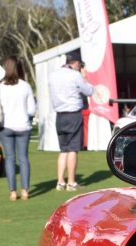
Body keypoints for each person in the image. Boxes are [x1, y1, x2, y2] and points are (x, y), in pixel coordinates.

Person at [0, 55, 36, 201]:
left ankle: (12, 192)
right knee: (23, 158)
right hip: (23, 126)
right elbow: (32, 110)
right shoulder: (25, 86)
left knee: (9, 158)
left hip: (5, 126)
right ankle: (25, 190)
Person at [48, 49, 94, 191]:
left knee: (63, 150)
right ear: (76, 63)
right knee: (73, 149)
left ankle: (60, 182)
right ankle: (71, 182)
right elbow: (89, 91)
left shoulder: (53, 75)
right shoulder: (75, 75)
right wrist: (84, 77)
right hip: (73, 114)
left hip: (60, 115)